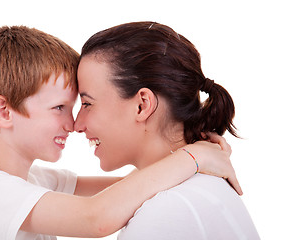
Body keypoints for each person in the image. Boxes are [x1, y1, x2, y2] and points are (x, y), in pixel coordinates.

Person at [0, 25, 240, 240]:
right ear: (3, 112)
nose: (72, 124)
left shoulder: (37, 181)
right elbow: (94, 218)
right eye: (59, 108)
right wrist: (194, 157)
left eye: (81, 105)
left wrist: (197, 152)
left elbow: (129, 187)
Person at [75, 21, 259, 239]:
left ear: (142, 105)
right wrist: (194, 157)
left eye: (86, 104)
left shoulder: (165, 210)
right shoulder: (191, 186)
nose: (77, 125)